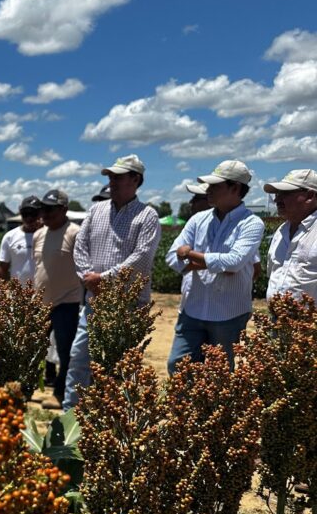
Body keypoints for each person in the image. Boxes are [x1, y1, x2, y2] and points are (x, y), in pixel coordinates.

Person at [63, 154, 162, 409]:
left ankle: (108, 421)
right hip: (95, 301)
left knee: (119, 367)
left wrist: (102, 279)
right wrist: (87, 276)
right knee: (80, 359)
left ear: (136, 180)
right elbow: (80, 245)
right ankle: (71, 415)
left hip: (127, 306)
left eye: (118, 177)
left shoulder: (147, 216)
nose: (112, 182)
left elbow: (141, 258)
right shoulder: (97, 210)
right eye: (110, 177)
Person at [165, 161, 264, 373]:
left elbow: (234, 262)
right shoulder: (197, 220)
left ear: (235, 188)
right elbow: (172, 258)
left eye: (215, 186)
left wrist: (190, 255)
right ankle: (189, 407)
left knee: (219, 374)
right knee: (178, 365)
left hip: (228, 313)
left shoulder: (252, 223)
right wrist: (211, 263)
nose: (208, 190)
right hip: (192, 308)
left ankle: (209, 408)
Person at [33, 189, 82, 403]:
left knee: (65, 351)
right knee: (33, 348)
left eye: (50, 209)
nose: (44, 214)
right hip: (41, 302)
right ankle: (27, 389)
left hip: (67, 302)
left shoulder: (75, 233)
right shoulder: (39, 234)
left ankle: (60, 393)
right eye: (43, 209)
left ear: (64, 209)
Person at [264, 168, 317, 302]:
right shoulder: (281, 231)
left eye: (285, 194)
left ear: (310, 196)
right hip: (278, 317)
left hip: (310, 321)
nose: (277, 200)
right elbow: (273, 272)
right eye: (277, 194)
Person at [0, 196, 41, 282]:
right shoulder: (10, 236)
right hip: (18, 293)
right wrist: (1, 291)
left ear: (41, 213)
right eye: (25, 213)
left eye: (33, 214)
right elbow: (3, 267)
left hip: (45, 293)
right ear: (20, 212)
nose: (29, 218)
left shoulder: (49, 235)